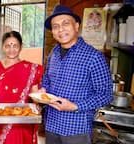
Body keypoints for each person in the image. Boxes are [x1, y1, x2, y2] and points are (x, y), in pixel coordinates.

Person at [40, 5, 113, 144]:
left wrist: (75, 106)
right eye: (55, 26)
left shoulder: (94, 57)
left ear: (76, 26)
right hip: (51, 124)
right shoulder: (53, 54)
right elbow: (47, 80)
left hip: (76, 129)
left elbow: (106, 94)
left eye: (65, 23)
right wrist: (43, 89)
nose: (60, 29)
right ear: (53, 32)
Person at [0, 31, 43, 144]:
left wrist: (37, 104)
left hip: (24, 117)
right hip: (2, 116)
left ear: (21, 46)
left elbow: (35, 93)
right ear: (3, 47)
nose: (11, 49)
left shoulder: (31, 68)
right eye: (7, 45)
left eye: (15, 45)